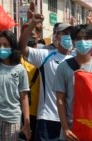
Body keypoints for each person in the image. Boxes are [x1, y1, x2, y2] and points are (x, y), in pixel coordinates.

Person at [19, 12, 73, 140]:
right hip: (48, 118)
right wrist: (32, 24)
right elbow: (21, 48)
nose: (68, 37)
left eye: (70, 34)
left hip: (70, 119)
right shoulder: (45, 55)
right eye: (64, 34)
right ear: (56, 37)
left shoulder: (76, 59)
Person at [54, 24, 92, 141]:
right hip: (72, 129)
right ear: (73, 42)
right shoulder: (63, 67)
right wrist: (65, 128)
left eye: (86, 38)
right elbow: (60, 100)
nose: (82, 41)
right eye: (78, 38)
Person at [0, 30, 31, 140]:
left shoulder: (20, 70)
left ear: (12, 47)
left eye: (5, 45)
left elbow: (24, 97)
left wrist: (27, 123)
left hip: (12, 120)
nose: (1, 48)